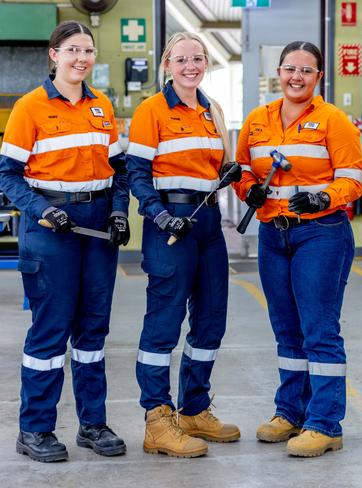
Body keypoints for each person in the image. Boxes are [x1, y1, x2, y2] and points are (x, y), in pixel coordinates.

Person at [0, 21, 130, 462]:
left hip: (96, 224)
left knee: (93, 329)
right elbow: (8, 176)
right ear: (54, 54)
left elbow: (119, 170)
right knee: (51, 329)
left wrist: (117, 210)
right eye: (72, 49)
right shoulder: (30, 107)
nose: (81, 58)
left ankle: (92, 424)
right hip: (52, 225)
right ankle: (34, 429)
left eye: (88, 51)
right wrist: (40, 210)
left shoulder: (101, 106)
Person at [234, 41, 362, 458]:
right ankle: (290, 412)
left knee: (318, 329)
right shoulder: (258, 120)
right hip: (274, 234)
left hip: (321, 233)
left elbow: (352, 180)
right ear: (279, 71)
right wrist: (248, 188)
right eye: (290, 68)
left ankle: (325, 423)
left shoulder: (333, 121)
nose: (297, 77)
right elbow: (242, 171)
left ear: (319, 77)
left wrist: (324, 199)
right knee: (286, 329)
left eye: (306, 71)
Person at [126, 32, 241, 458]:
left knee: (211, 320)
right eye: (181, 59)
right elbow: (136, 173)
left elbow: (219, 165)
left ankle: (194, 408)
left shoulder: (211, 109)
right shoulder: (151, 110)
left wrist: (232, 172)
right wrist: (158, 214)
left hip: (208, 222)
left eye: (198, 58)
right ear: (167, 64)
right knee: (164, 323)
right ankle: (158, 418)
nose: (190, 66)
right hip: (169, 223)